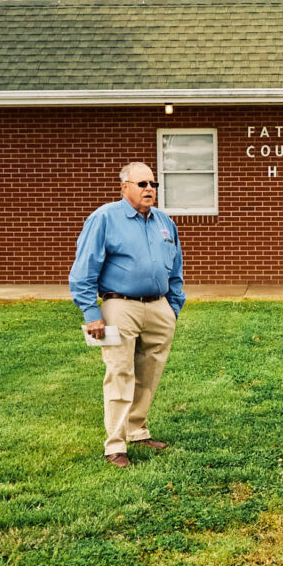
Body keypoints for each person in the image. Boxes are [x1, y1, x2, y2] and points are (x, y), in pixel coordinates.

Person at [70, 162, 186, 468]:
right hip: (119, 305)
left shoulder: (164, 222)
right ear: (125, 187)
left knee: (149, 373)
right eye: (142, 184)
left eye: (153, 184)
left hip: (159, 306)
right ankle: (116, 445)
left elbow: (176, 266)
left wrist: (173, 306)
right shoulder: (104, 218)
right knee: (120, 373)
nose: (149, 189)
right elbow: (84, 269)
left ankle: (137, 430)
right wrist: (92, 312)